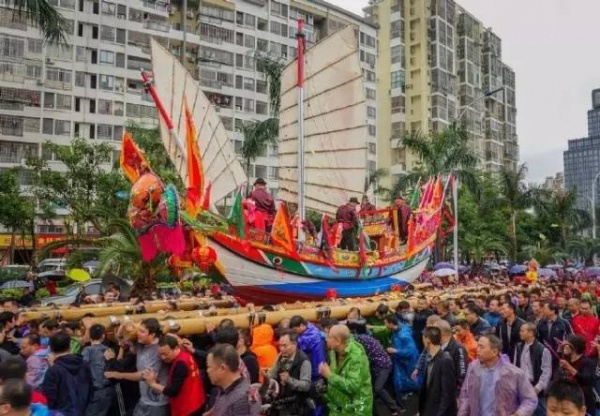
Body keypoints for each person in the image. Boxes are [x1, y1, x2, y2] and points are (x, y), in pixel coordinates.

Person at [457, 335, 538, 416]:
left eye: (481, 347)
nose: (477, 350)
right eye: (478, 346)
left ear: (494, 352)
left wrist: (518, 414)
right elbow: (465, 395)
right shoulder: (473, 368)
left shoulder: (514, 373)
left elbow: (530, 399)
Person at [104, 318, 170, 416]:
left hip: (157, 402)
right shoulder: (140, 343)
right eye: (138, 330)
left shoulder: (158, 350)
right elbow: (119, 338)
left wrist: (119, 375)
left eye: (142, 331)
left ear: (152, 335)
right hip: (144, 399)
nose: (138, 333)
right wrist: (124, 324)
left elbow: (143, 375)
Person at [143, 335, 205, 416]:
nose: (163, 357)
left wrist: (152, 384)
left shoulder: (180, 365)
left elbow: (173, 391)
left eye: (166, 354)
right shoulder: (186, 354)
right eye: (161, 355)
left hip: (188, 408)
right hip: (198, 400)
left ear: (176, 348)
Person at [346, 320, 398, 415]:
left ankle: (394, 408)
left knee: (378, 388)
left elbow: (363, 358)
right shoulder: (363, 337)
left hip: (383, 365)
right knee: (370, 392)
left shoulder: (359, 340)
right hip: (376, 366)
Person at [318, 325, 372, 416]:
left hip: (356, 408)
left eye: (329, 337)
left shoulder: (357, 358)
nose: (326, 339)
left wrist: (329, 376)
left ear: (338, 341)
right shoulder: (334, 352)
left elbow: (352, 386)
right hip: (338, 406)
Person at [41, 331, 92, 416]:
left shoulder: (54, 370)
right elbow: (91, 387)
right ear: (69, 346)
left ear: (51, 348)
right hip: (83, 410)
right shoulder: (84, 364)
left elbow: (50, 397)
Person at [263, 331, 311, 416]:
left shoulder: (304, 361)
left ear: (294, 344)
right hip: (280, 405)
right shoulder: (281, 357)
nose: (281, 349)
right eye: (280, 346)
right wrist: (265, 375)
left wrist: (289, 380)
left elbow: (306, 386)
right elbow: (272, 375)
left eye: (285, 345)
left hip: (296, 408)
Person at [205, 344, 261, 416]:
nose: (207, 371)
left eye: (209, 367)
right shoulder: (224, 387)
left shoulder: (242, 400)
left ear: (222, 368)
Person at [514, 322, 552, 416]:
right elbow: (515, 367)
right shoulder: (518, 347)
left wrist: (537, 388)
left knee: (540, 412)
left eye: (523, 331)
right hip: (522, 386)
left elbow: (546, 371)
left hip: (537, 388)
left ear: (531, 333)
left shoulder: (543, 350)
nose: (520, 333)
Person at [418, 327, 457, 416]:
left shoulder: (445, 360)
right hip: (429, 407)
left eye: (423, 338)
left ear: (428, 340)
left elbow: (447, 393)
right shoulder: (429, 358)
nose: (422, 341)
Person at [554, 334, 596, 414]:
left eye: (566, 345)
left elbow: (586, 380)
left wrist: (569, 368)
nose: (564, 346)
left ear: (574, 348)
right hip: (567, 401)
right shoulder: (567, 359)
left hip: (583, 403)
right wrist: (560, 350)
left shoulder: (587, 362)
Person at [82, 324, 114, 416]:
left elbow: (83, 366)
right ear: (103, 336)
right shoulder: (109, 350)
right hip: (108, 389)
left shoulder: (87, 350)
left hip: (94, 390)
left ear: (89, 336)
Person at [384, 314, 419, 397]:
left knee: (409, 379)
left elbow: (411, 350)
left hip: (408, 360)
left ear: (391, 324)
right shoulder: (397, 328)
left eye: (386, 323)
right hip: (401, 359)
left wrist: (395, 351)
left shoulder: (404, 335)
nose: (385, 325)